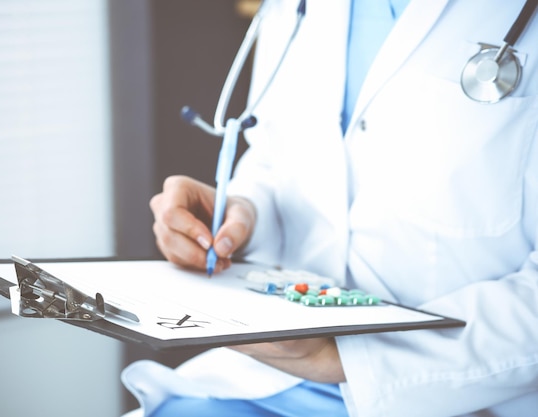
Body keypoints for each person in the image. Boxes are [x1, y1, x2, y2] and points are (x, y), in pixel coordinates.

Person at [122, 0, 538, 416]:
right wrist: (242, 211)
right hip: (277, 376)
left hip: (459, 392)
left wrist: (347, 358)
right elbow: (276, 157)